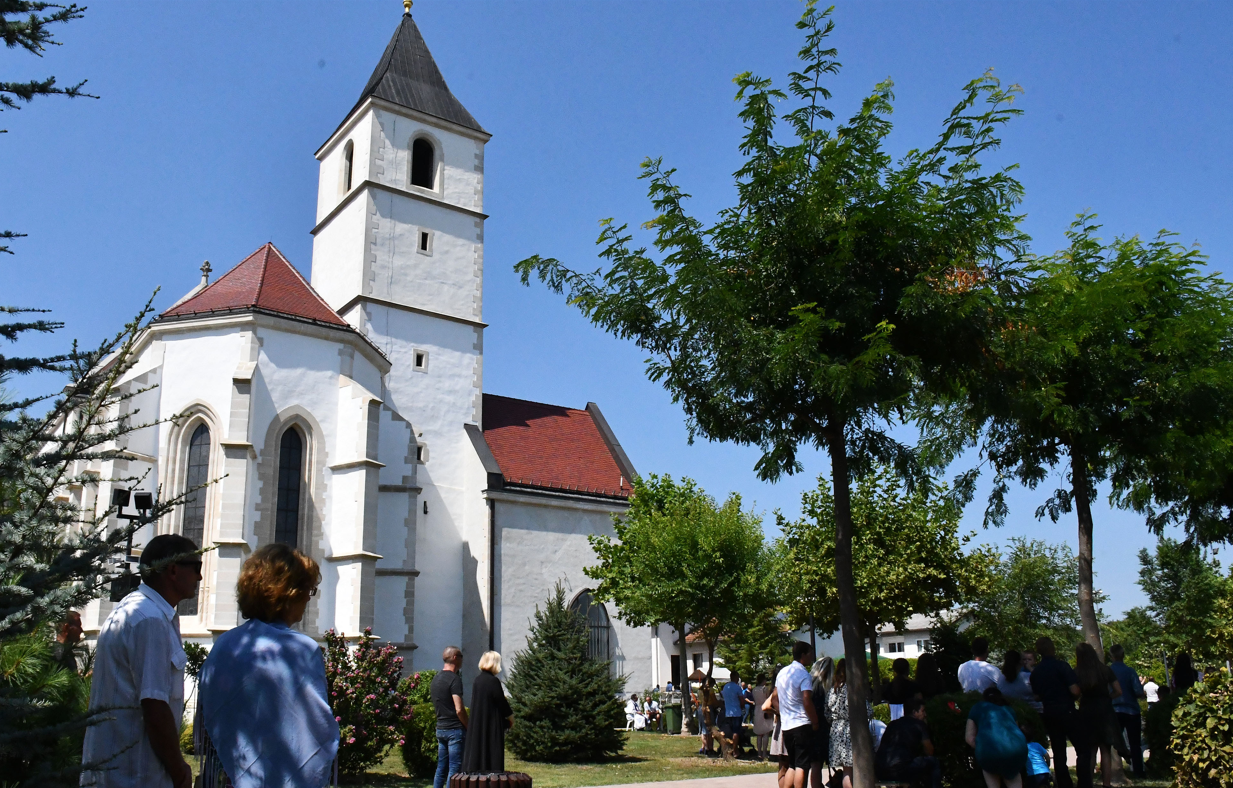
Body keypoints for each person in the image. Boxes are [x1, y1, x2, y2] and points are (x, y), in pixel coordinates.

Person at [197, 543, 339, 788]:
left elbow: (207, 721)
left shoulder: (225, 644)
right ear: (288, 592)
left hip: (230, 776)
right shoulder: (301, 649)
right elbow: (317, 729)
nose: (308, 598)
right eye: (307, 589)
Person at [82, 534, 201, 788]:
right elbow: (155, 706)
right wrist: (179, 768)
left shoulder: (138, 609)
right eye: (196, 568)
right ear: (172, 570)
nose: (200, 578)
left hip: (118, 772)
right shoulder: (150, 620)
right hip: (135, 775)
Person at [1029, 636, 1086, 788]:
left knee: (1059, 753)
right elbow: (1074, 690)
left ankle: (1064, 783)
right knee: (1082, 748)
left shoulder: (1036, 672)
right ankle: (1084, 782)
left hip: (1049, 712)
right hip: (1066, 710)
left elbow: (1036, 696)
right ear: (1052, 649)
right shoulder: (1062, 666)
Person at [1074, 642, 1124, 788]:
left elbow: (1075, 693)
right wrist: (1108, 697)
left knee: (1090, 750)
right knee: (1105, 749)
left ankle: (1087, 782)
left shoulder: (1077, 672)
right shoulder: (1105, 670)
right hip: (1104, 710)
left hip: (1087, 710)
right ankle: (1106, 783)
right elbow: (1118, 691)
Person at [966, 686, 1029, 788]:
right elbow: (1015, 731)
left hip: (989, 754)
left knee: (990, 774)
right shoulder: (1009, 710)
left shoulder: (978, 708)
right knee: (1014, 778)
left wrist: (983, 748)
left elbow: (969, 738)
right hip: (1017, 751)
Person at [461, 651, 513, 773]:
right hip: (492, 723)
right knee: (491, 754)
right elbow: (501, 702)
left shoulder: (477, 680)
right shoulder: (493, 681)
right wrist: (510, 718)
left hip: (479, 722)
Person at [776, 640, 820, 788]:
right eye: (810, 654)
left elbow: (775, 697)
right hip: (801, 724)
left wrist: (783, 711)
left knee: (793, 764)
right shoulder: (804, 674)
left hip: (787, 725)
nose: (811, 657)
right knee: (802, 765)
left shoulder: (782, 673)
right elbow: (807, 700)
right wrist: (815, 721)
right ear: (803, 655)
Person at [875, 697, 940, 788]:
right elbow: (929, 751)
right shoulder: (919, 724)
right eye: (923, 711)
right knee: (933, 762)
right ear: (914, 712)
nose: (925, 714)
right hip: (900, 771)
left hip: (880, 771)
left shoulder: (892, 724)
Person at [826, 658, 871, 788]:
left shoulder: (833, 690)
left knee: (846, 770)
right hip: (849, 730)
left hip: (836, 730)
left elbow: (827, 712)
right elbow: (867, 710)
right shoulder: (851, 689)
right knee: (851, 770)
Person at [430, 646, 470, 788]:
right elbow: (459, 709)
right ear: (455, 658)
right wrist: (468, 726)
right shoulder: (454, 679)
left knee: (441, 767)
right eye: (461, 656)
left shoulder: (436, 678)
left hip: (440, 727)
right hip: (454, 730)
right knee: (455, 768)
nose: (462, 660)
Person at [1107, 644, 1145, 778]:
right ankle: (1138, 771)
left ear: (1111, 656)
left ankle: (1114, 768)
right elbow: (1138, 691)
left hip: (1114, 709)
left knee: (1113, 741)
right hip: (1132, 710)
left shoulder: (1108, 671)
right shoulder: (1130, 671)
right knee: (1135, 743)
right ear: (1123, 655)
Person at [808, 656, 833, 788]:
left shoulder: (811, 686)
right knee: (819, 763)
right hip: (824, 727)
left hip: (812, 725)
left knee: (815, 764)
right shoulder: (829, 688)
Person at [722, 671, 751, 751]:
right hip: (736, 712)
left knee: (728, 731)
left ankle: (728, 747)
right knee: (736, 731)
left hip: (728, 712)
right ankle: (735, 750)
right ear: (736, 678)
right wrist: (742, 707)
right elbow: (742, 700)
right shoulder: (737, 687)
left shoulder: (725, 687)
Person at [752, 674, 775, 762]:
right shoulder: (765, 689)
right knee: (765, 732)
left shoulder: (754, 689)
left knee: (759, 733)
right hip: (764, 709)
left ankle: (759, 753)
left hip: (757, 709)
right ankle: (764, 753)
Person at [53, 610, 83, 674]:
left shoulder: (67, 652)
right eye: (78, 626)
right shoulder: (58, 653)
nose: (81, 630)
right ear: (66, 628)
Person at [1022, 724, 1053, 788]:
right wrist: (1047, 764)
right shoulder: (1037, 745)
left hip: (1033, 774)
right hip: (1045, 771)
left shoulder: (1023, 748)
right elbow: (1047, 755)